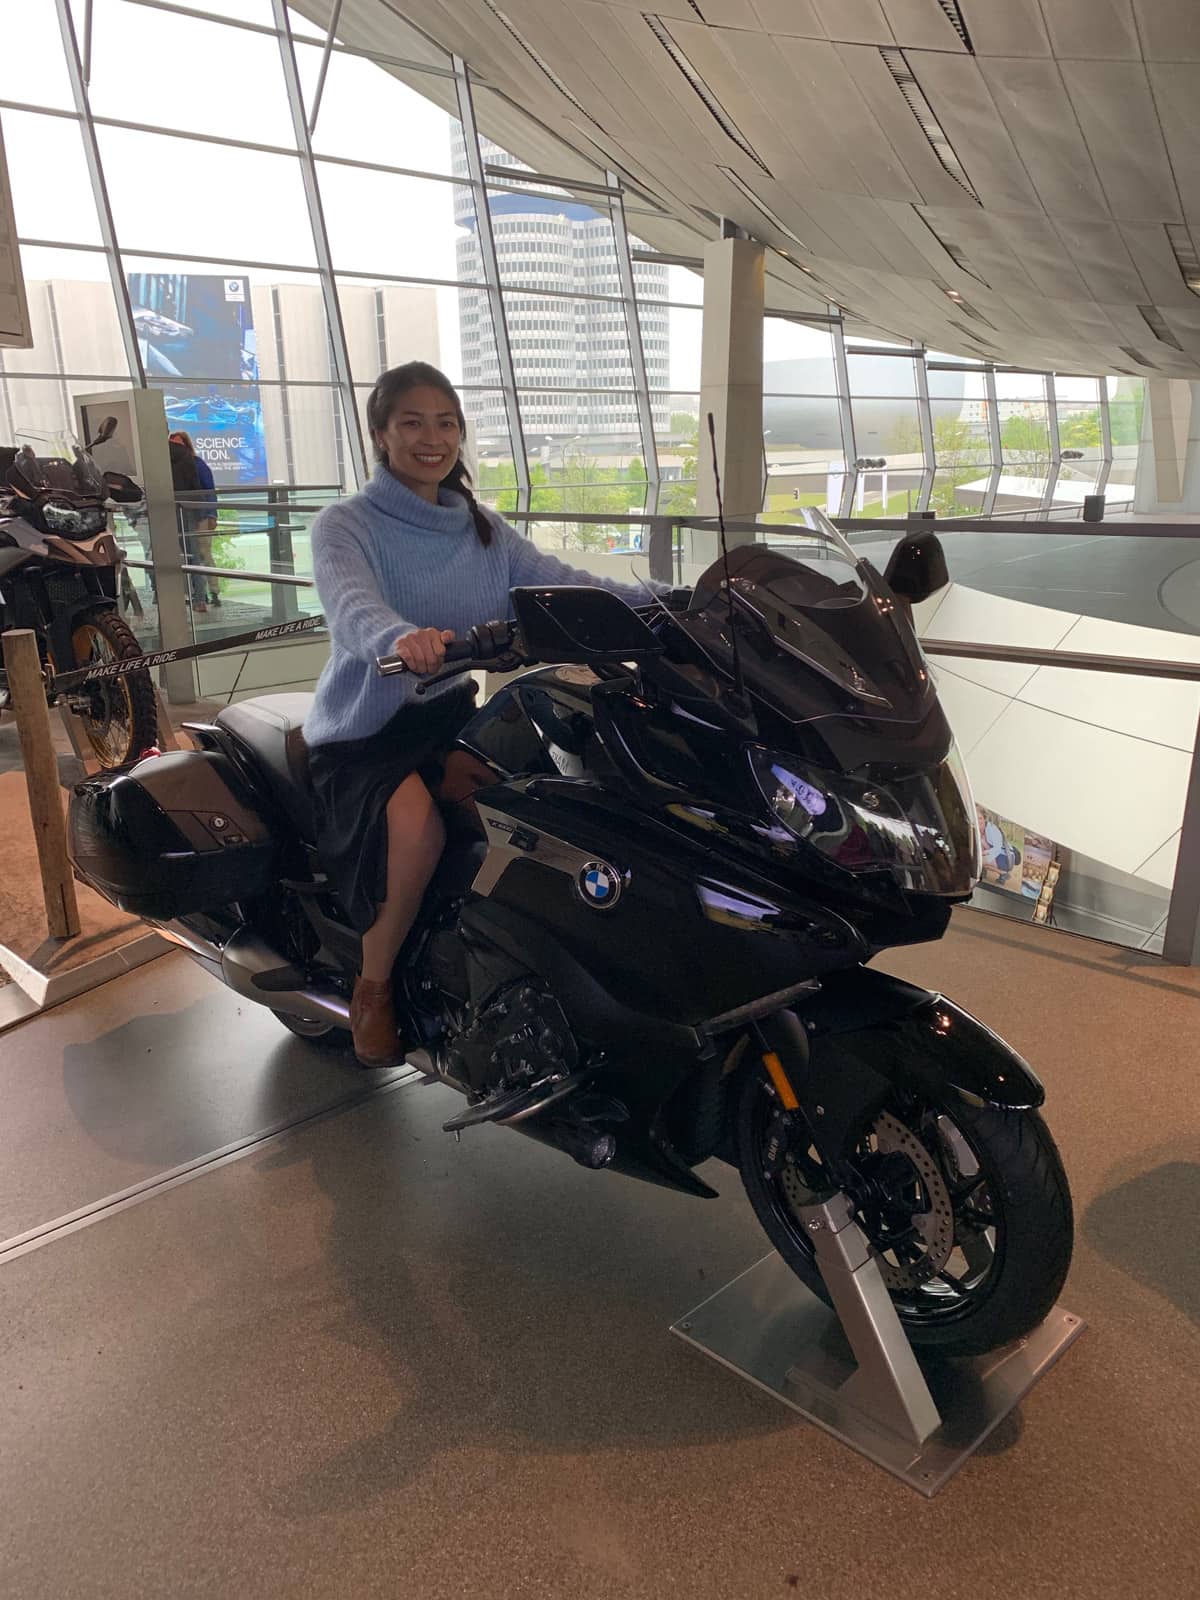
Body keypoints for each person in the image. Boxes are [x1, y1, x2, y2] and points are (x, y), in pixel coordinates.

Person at [306, 360, 664, 1068]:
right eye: (411, 422)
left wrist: (672, 601)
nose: (430, 437)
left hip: (447, 718)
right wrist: (397, 640)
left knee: (550, 815)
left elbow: (564, 585)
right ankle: (372, 989)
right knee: (415, 831)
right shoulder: (345, 525)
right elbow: (352, 608)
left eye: (445, 423)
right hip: (366, 734)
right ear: (381, 434)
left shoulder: (481, 529)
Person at [168, 431, 220, 606]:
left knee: (203, 552)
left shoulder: (198, 465)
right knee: (193, 554)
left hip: (202, 515)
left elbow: (209, 490)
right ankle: (201, 593)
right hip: (189, 515)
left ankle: (213, 591)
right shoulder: (179, 465)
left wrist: (212, 514)